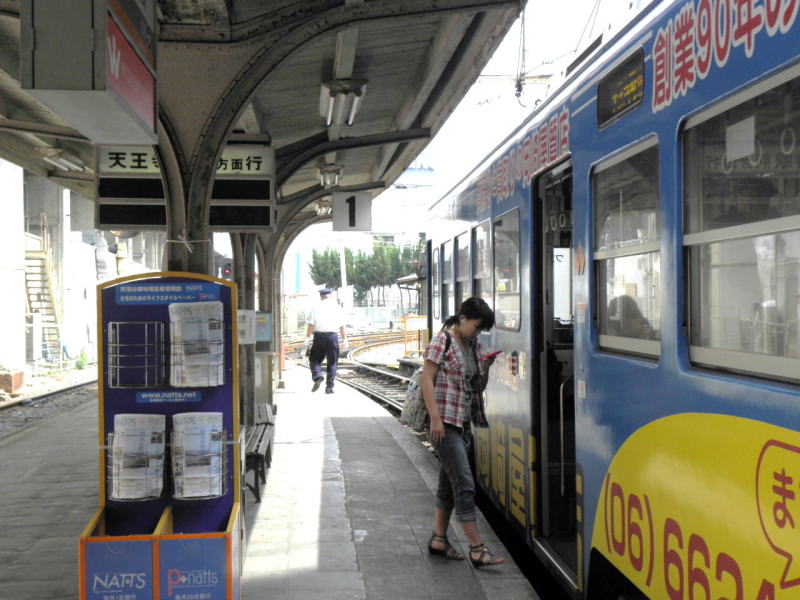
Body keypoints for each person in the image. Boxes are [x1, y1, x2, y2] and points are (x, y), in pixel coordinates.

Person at [421, 296, 504, 568]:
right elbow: (427, 379)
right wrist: (435, 418)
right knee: (465, 485)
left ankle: (438, 539)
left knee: (448, 486)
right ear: (463, 319)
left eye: (482, 330)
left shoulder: (472, 346)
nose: (478, 333)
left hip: (462, 425)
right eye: (477, 327)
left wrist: (485, 369)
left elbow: (475, 387)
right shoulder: (442, 341)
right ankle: (477, 548)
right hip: (443, 425)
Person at [305, 288, 348, 394]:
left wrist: (307, 338)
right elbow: (341, 326)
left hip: (319, 337)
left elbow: (311, 325)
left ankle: (318, 375)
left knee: (314, 359)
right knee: (332, 362)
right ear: (330, 296)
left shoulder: (315, 307)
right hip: (332, 337)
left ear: (321, 296)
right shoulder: (337, 308)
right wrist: (345, 339)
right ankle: (329, 388)